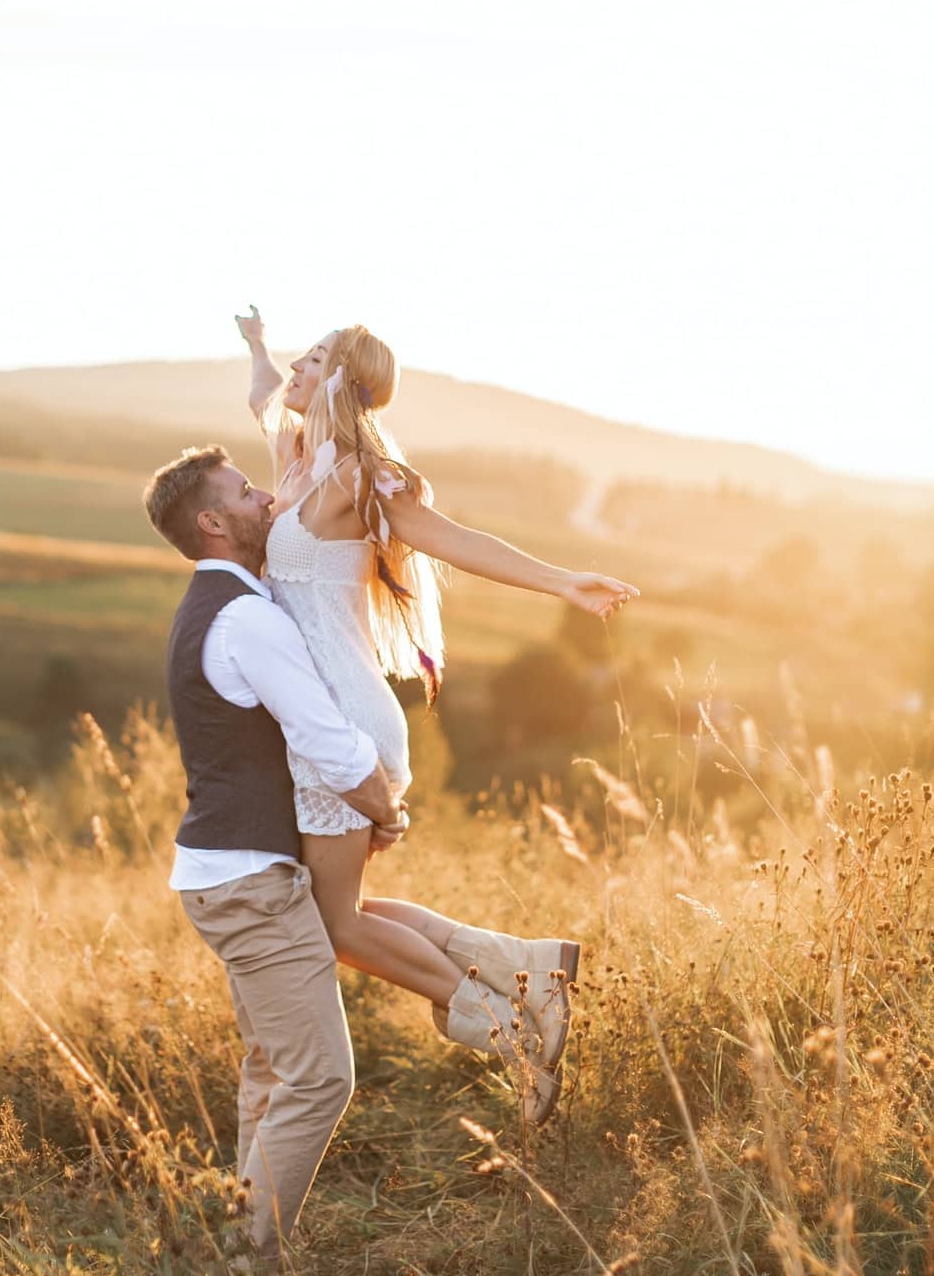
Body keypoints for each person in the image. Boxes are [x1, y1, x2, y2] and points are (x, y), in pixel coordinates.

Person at [142, 444, 552, 1265]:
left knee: (272, 1068)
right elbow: (326, 738)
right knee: (319, 1078)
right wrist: (382, 805)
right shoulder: (247, 619)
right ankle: (248, 1274)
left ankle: (241, 1249)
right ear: (212, 523)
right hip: (247, 884)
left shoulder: (226, 604)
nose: (266, 499)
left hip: (235, 874)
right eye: (245, 494)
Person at [232, 308, 641, 1119]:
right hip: (315, 721)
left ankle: (513, 1030)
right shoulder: (296, 459)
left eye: (312, 361)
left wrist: (561, 581)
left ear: (344, 380)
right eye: (297, 360)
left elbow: (454, 539)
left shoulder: (361, 477)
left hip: (345, 722)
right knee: (331, 911)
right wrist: (255, 347)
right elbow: (261, 396)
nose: (296, 371)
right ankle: (524, 963)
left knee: (334, 924)